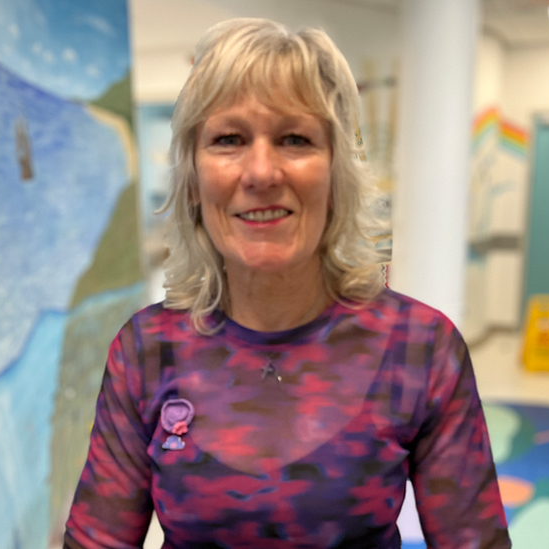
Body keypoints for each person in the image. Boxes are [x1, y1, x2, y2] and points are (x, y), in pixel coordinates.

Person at [64, 18, 510, 549]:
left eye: (294, 139)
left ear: (337, 175)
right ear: (192, 180)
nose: (261, 172)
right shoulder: (145, 352)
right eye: (228, 139)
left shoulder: (420, 350)